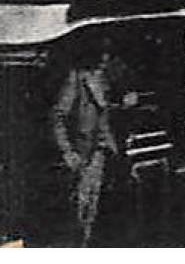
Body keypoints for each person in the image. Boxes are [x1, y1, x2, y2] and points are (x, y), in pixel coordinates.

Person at [50, 39, 128, 246]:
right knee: (81, 207)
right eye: (102, 54)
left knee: (95, 206)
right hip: (84, 152)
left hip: (105, 151)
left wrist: (126, 102)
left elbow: (110, 110)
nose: (105, 59)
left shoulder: (108, 78)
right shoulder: (78, 78)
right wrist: (67, 152)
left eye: (108, 55)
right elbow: (58, 116)